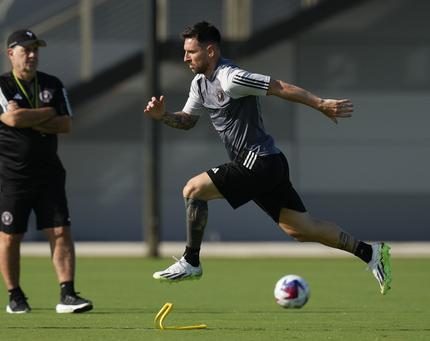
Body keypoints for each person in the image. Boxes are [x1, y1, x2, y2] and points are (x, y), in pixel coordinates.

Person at [144, 21, 392, 295]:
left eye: (191, 51)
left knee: (193, 189)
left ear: (210, 51)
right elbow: (188, 120)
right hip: (266, 163)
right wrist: (162, 116)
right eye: (185, 52)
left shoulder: (231, 77)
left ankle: (191, 261)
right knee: (302, 229)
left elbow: (278, 86)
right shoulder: (200, 84)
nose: (185, 57)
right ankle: (370, 252)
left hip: (258, 160)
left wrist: (320, 104)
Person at [0, 29, 93, 313]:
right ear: (11, 54)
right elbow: (9, 118)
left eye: (36, 50)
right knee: (11, 236)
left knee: (61, 231)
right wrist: (48, 112)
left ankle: (68, 295)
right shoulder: (1, 85)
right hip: (13, 175)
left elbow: (65, 124)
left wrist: (26, 117)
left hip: (49, 173)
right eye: (26, 50)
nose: (32, 55)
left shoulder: (52, 83)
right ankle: (15, 297)